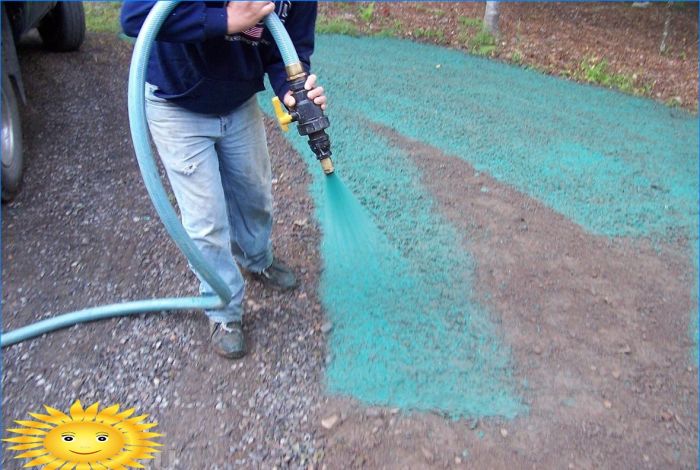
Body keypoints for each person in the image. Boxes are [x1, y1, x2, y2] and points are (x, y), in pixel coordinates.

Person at [121, 1, 327, 359]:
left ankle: (256, 257)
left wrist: (292, 88)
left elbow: (288, 50)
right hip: (177, 104)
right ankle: (223, 309)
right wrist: (226, 19)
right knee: (206, 220)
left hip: (237, 102)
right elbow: (135, 15)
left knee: (255, 194)